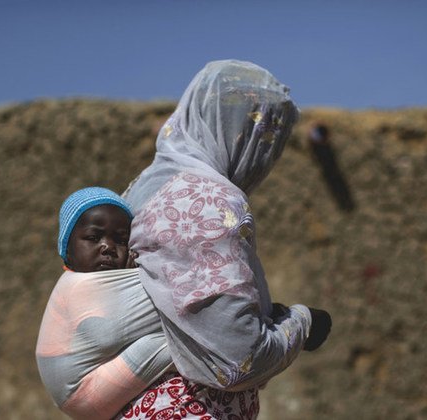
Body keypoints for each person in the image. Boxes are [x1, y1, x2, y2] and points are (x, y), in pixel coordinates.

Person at [120, 60, 332, 418]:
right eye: (263, 137)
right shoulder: (204, 202)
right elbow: (237, 358)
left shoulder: (143, 188)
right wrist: (302, 322)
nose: (265, 154)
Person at [36, 187, 173, 420]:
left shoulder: (106, 282)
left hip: (86, 392)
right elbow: (108, 334)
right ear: (66, 248)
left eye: (121, 240)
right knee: (170, 343)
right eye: (93, 237)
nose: (108, 247)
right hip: (81, 393)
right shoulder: (76, 286)